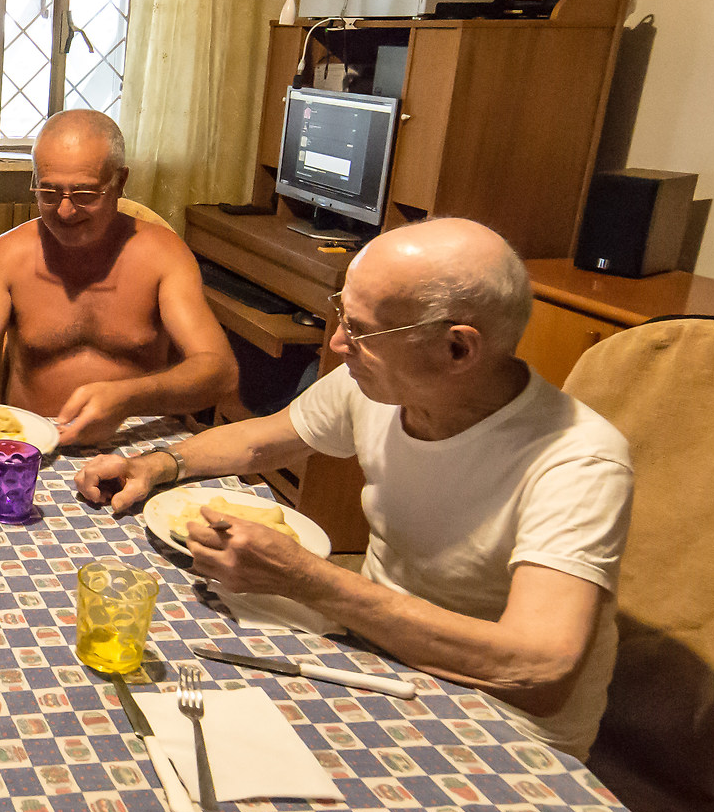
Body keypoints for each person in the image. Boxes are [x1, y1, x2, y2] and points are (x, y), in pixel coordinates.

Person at [77, 217, 633, 758]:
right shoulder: (379, 383)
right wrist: (157, 464)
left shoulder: (578, 460)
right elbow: (261, 442)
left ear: (458, 349)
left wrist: (308, 579)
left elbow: (538, 671)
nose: (339, 343)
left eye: (363, 331)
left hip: (502, 728)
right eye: (341, 314)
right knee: (155, 689)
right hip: (377, 656)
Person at [0, 111, 234, 445]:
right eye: (49, 193)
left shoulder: (162, 254)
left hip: (133, 445)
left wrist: (128, 397)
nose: (65, 211)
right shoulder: (9, 255)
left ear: (120, 182)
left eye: (84, 195)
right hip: (28, 445)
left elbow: (219, 372)